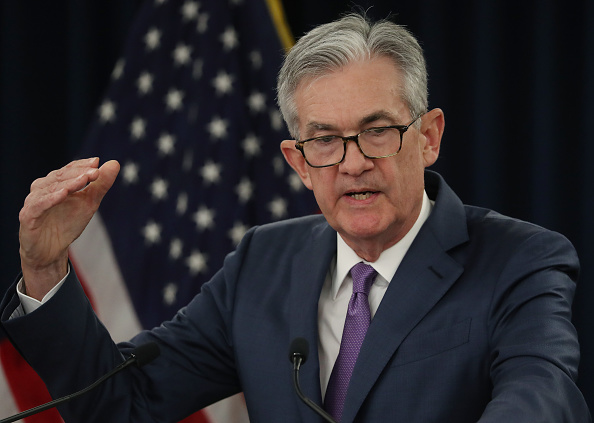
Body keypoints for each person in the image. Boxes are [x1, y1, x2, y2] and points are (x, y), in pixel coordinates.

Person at [1, 13, 591, 423]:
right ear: (298, 161)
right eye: (325, 140)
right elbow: (120, 403)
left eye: (377, 132)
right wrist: (46, 266)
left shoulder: (520, 259)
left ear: (428, 137)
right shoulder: (263, 262)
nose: (353, 163)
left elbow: (543, 396)